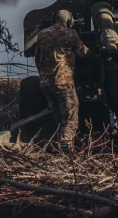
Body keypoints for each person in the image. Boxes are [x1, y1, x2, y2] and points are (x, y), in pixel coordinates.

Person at [34, 9, 91, 151]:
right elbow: (84, 53)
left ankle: (62, 149)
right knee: (70, 119)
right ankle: (66, 150)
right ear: (69, 21)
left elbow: (37, 58)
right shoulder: (70, 34)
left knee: (59, 119)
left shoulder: (42, 35)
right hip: (64, 83)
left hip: (46, 84)